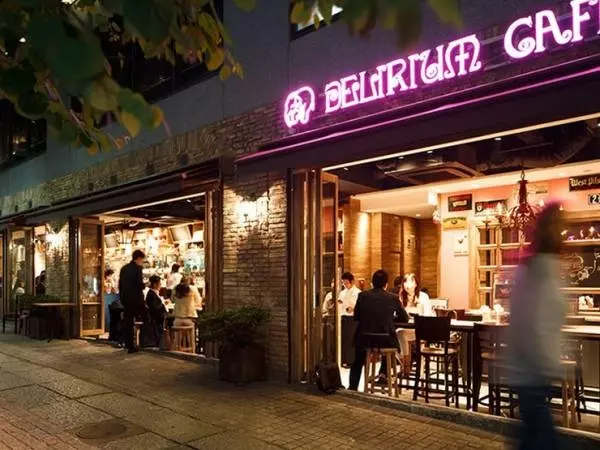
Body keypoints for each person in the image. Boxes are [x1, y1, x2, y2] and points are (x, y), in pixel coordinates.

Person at [508, 203, 566, 450]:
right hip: (534, 365)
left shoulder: (538, 268)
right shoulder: (540, 269)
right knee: (538, 429)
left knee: (533, 430)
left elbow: (528, 318)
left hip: (532, 365)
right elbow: (534, 320)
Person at [348, 270, 409, 391]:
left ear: (372, 283)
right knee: (389, 348)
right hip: (385, 341)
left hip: (365, 339)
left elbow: (356, 317)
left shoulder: (363, 296)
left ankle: (353, 387)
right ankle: (383, 376)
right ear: (386, 284)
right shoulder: (393, 298)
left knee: (358, 360)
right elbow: (405, 318)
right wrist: (390, 318)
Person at [118, 250, 147, 353]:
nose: (142, 262)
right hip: (137, 300)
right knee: (146, 318)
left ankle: (129, 344)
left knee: (128, 322)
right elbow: (139, 284)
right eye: (142, 260)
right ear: (138, 258)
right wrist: (145, 285)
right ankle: (145, 341)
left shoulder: (124, 268)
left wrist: (122, 297)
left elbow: (120, 284)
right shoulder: (138, 269)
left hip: (126, 299)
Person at [338, 272, 361, 367]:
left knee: (351, 340)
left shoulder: (357, 292)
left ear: (352, 281)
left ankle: (351, 361)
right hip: (343, 317)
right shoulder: (342, 292)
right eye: (343, 283)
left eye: (346, 283)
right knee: (344, 340)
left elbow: (357, 306)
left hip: (352, 319)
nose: (345, 285)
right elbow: (339, 303)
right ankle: (344, 360)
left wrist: (352, 308)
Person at [146, 275, 168, 347]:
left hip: (157, 318)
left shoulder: (153, 293)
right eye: (160, 284)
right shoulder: (151, 294)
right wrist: (163, 306)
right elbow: (155, 308)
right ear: (155, 284)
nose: (161, 286)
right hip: (157, 319)